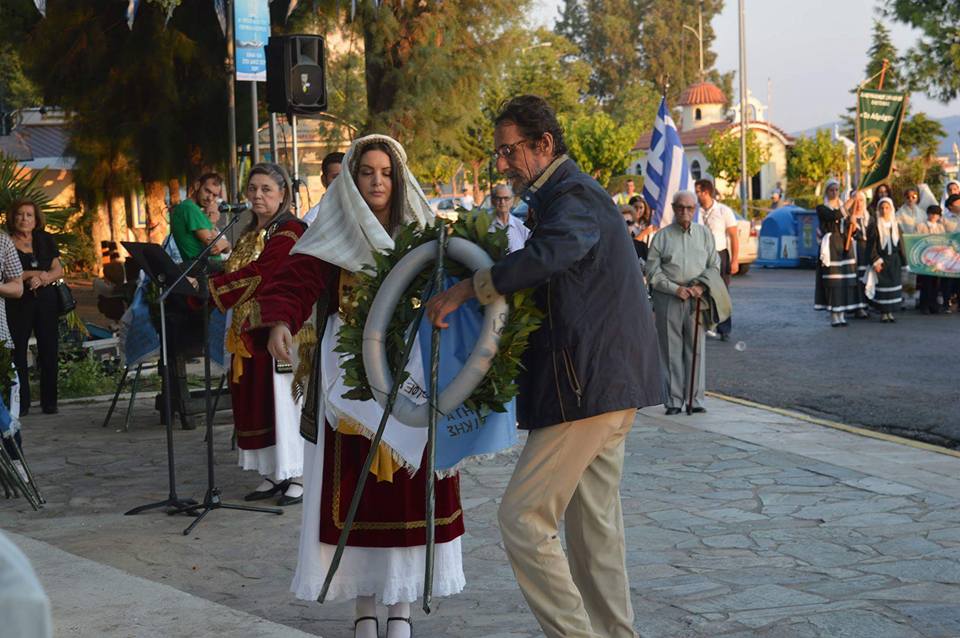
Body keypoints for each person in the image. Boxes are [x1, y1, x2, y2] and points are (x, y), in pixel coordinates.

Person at [426, 95, 662, 638]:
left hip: (586, 386)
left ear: (543, 145)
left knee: (522, 517)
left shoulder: (573, 194)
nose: (502, 164)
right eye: (498, 154)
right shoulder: (567, 195)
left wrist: (471, 287)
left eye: (510, 152)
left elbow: (552, 254)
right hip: (605, 385)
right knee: (592, 529)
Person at [256, 135, 463, 638]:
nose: (377, 180)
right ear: (351, 177)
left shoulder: (421, 233)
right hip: (347, 376)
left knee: (410, 491)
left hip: (411, 374)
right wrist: (280, 321)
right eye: (367, 171)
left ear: (399, 177)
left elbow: (450, 288)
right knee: (357, 494)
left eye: (386, 172)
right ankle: (364, 607)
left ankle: (401, 611)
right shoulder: (332, 230)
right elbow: (294, 282)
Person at [208, 163, 306, 506]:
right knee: (257, 403)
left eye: (266, 189)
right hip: (246, 332)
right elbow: (238, 268)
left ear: (282, 194)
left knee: (283, 402)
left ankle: (298, 474)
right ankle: (273, 473)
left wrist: (213, 288)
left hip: (276, 330)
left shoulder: (291, 230)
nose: (257, 195)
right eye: (253, 189)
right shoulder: (249, 232)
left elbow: (263, 274)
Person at [646, 191, 730, 416]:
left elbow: (714, 266)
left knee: (696, 350)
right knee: (670, 351)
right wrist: (676, 289)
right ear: (673, 208)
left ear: (695, 210)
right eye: (680, 207)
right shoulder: (662, 237)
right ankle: (674, 401)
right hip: (669, 298)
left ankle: (695, 399)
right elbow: (652, 271)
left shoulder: (704, 235)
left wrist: (701, 286)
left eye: (690, 208)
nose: (685, 212)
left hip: (696, 298)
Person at [6, 200, 62, 415]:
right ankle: (23, 403)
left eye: (29, 215)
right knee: (18, 351)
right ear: (13, 218)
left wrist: (45, 278)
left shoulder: (45, 239)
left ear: (36, 218)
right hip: (19, 301)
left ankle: (50, 402)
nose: (24, 219)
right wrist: (33, 275)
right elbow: (11, 274)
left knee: (49, 349)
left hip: (47, 299)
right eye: (20, 214)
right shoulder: (7, 242)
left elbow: (59, 268)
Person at [814, 179, 864, 326]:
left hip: (844, 246)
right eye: (831, 190)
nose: (834, 192)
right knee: (833, 281)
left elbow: (850, 230)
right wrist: (851, 201)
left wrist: (853, 224)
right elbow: (834, 216)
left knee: (845, 281)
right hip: (830, 246)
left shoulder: (845, 209)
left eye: (836, 190)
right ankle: (834, 315)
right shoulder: (821, 208)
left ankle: (842, 313)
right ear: (826, 192)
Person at [695, 179, 739, 341]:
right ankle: (705, 325)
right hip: (701, 255)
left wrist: (735, 260)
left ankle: (724, 328)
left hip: (720, 255)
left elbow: (734, 236)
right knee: (702, 291)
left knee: (722, 292)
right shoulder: (696, 212)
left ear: (705, 192)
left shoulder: (723, 211)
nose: (696, 195)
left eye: (698, 191)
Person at [0, 222, 24, 474]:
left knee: (3, 409)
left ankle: (17, 463)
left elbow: (17, 287)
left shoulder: (3, 241)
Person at [169, 172, 230, 263]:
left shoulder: (197, 211)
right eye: (207, 191)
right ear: (197, 185)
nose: (210, 198)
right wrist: (226, 243)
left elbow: (225, 249)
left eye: (214, 195)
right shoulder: (190, 208)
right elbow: (214, 246)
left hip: (207, 269)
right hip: (205, 271)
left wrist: (225, 245)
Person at [865, 197, 906, 323]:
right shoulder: (875, 226)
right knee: (883, 286)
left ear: (891, 209)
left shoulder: (896, 225)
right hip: (881, 261)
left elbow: (901, 246)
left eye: (887, 208)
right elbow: (871, 246)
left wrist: (904, 262)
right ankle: (883, 312)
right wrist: (875, 261)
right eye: (882, 208)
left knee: (893, 284)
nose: (884, 210)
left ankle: (890, 312)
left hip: (894, 260)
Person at [915, 205, 945, 314]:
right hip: (924, 258)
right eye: (931, 213)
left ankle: (934, 304)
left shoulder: (940, 227)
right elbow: (916, 241)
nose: (933, 216)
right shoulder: (920, 226)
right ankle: (924, 305)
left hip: (937, 259)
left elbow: (944, 241)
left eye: (936, 214)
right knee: (925, 282)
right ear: (927, 214)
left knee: (935, 283)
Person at [302, 151, 345, 225]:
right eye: (335, 177)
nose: (341, 181)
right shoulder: (312, 219)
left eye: (346, 176)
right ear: (324, 180)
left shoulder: (363, 211)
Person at [488, 182, 530, 253]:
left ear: (512, 200)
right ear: (492, 201)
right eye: (498, 198)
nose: (502, 202)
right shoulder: (485, 225)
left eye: (506, 198)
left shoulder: (522, 227)